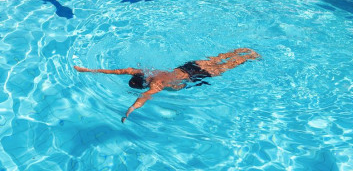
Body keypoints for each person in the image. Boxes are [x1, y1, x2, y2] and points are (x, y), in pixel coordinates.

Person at [75, 48, 260, 122]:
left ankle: (250, 56)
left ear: (142, 85)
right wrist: (88, 69)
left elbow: (142, 99)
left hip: (193, 77)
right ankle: (243, 50)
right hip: (188, 66)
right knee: (217, 59)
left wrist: (129, 111)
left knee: (226, 66)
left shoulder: (156, 86)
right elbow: (118, 71)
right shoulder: (143, 72)